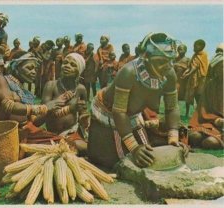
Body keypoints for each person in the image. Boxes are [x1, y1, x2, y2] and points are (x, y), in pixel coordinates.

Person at [88, 32, 188, 169]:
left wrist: (173, 137)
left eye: (170, 60)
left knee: (147, 156)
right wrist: (134, 147)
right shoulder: (129, 73)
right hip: (107, 114)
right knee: (112, 161)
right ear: (146, 58)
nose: (168, 66)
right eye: (161, 61)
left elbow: (172, 108)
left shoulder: (169, 74)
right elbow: (119, 111)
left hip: (132, 116)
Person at [0, 52, 65, 126]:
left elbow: (35, 121)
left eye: (35, 69)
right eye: (29, 68)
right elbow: (9, 106)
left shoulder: (26, 93)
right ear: (16, 67)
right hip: (5, 134)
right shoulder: (0, 80)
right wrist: (44, 107)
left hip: (23, 133)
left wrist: (54, 105)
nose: (34, 72)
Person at [42, 53, 89, 154]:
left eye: (73, 65)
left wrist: (84, 118)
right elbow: (44, 112)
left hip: (71, 132)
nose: (67, 66)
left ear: (79, 71)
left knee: (87, 149)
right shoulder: (51, 85)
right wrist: (70, 108)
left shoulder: (81, 89)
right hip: (51, 134)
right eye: (65, 63)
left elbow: (83, 114)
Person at [188, 44, 223, 149]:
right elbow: (202, 109)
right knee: (194, 136)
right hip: (210, 123)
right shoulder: (210, 86)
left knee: (209, 143)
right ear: (215, 70)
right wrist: (215, 119)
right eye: (220, 67)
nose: (222, 70)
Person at [182, 39, 209, 117]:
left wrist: (187, 74)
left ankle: (199, 114)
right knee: (188, 96)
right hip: (192, 79)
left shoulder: (204, 55)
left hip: (200, 79)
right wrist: (186, 72)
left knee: (198, 96)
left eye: (195, 46)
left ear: (201, 46)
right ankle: (186, 114)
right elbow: (190, 66)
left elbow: (195, 67)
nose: (193, 47)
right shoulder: (195, 55)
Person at [173, 44, 190, 116]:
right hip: (177, 80)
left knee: (186, 97)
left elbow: (190, 68)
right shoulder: (175, 59)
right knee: (176, 96)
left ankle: (187, 113)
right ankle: (176, 112)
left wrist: (180, 65)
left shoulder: (187, 59)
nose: (180, 51)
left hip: (185, 81)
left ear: (185, 51)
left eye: (181, 49)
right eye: (179, 49)